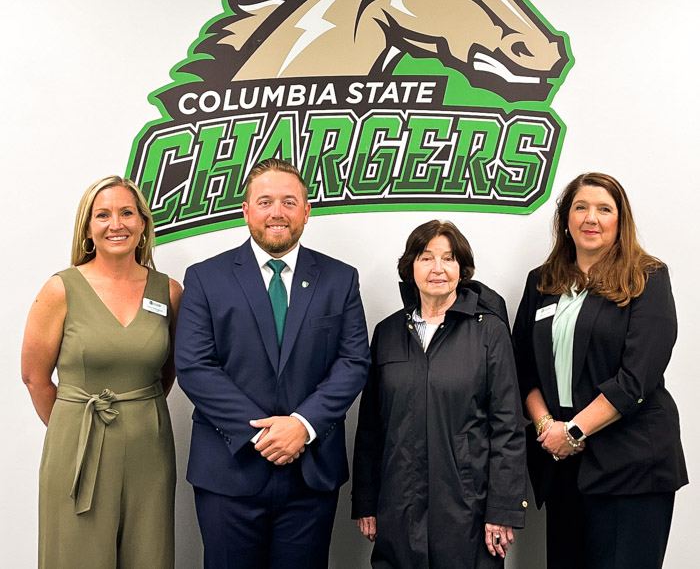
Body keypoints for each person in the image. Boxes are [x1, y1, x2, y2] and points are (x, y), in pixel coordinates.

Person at [175, 157, 370, 569]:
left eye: (288, 201)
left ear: (306, 210)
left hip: (310, 472)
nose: (277, 212)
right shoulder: (205, 278)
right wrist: (265, 435)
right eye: (265, 201)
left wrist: (301, 424)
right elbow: (194, 365)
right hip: (229, 471)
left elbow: (353, 362)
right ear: (246, 210)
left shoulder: (340, 278)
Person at [512, 172, 687, 569]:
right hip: (563, 465)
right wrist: (547, 428)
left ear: (619, 220)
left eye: (604, 209)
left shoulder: (647, 277)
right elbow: (521, 367)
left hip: (632, 466)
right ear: (566, 219)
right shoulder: (542, 282)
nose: (591, 218)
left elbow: (636, 378)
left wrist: (574, 431)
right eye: (581, 207)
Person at [21, 175, 182, 569]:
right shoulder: (60, 289)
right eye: (103, 215)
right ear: (88, 228)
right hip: (79, 447)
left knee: (149, 554)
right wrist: (71, 426)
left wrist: (135, 412)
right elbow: (34, 377)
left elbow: (170, 370)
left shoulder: (169, 292)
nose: (116, 224)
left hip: (150, 447)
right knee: (77, 556)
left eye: (127, 213)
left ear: (143, 223)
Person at [352, 220, 527, 568]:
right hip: (398, 506)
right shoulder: (387, 332)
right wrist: (366, 501)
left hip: (468, 511)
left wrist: (502, 509)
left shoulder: (488, 331)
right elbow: (370, 427)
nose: (437, 268)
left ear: (461, 270)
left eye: (448, 259)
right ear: (410, 267)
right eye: (426, 257)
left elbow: (508, 427)